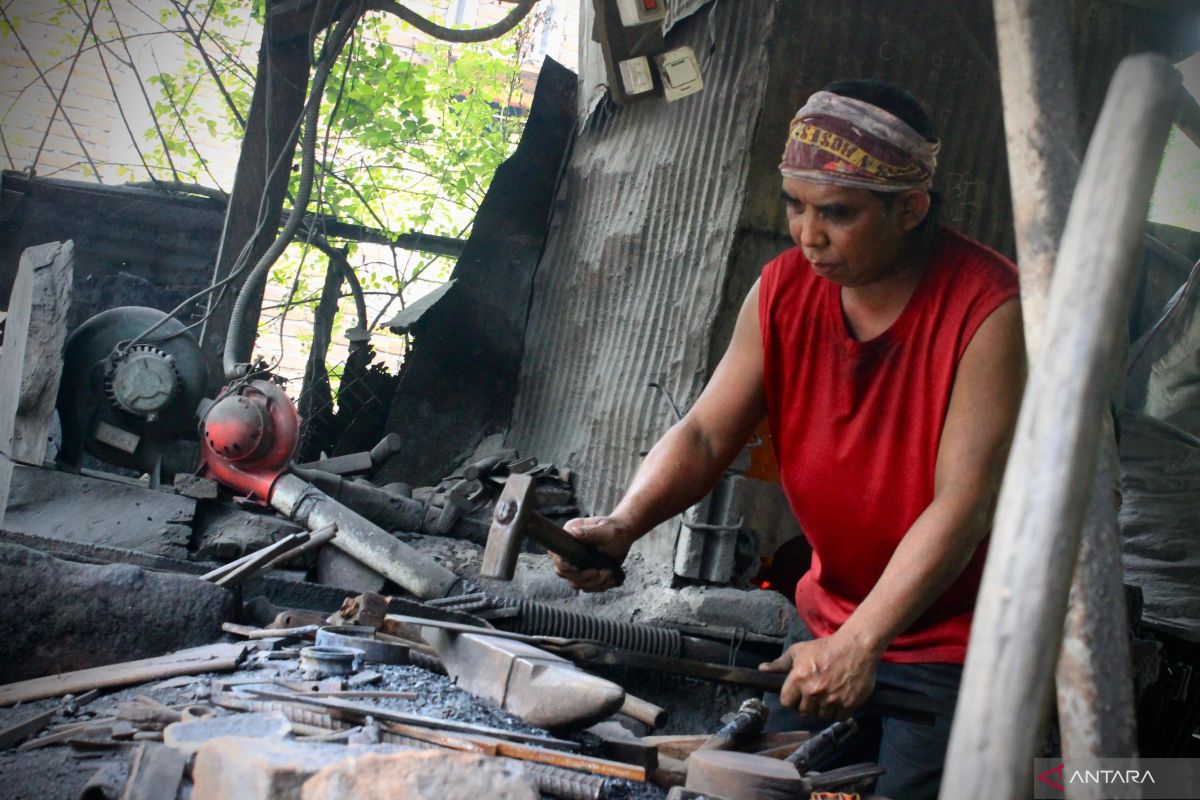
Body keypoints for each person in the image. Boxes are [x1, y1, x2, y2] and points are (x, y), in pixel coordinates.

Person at [550, 79, 1026, 799]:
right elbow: (707, 434)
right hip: (825, 631)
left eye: (837, 213)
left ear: (911, 208)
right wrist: (624, 524)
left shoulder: (989, 309)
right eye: (795, 206)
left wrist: (863, 642)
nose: (808, 234)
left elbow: (964, 502)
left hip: (957, 651)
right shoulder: (782, 289)